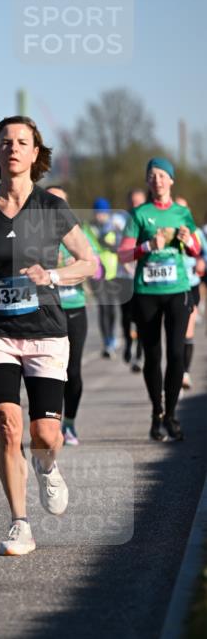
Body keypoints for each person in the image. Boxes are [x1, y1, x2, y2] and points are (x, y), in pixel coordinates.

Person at [0, 116, 96, 556]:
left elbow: (88, 262)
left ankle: (47, 466)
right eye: (5, 142)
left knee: (45, 434)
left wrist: (50, 274)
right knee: (9, 428)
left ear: (36, 154)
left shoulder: (51, 207)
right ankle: (19, 522)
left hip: (47, 333)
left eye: (22, 142)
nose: (13, 148)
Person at [118, 158, 202, 441]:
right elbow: (124, 254)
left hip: (178, 290)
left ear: (171, 180)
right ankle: (157, 413)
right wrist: (147, 246)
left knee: (177, 354)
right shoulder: (139, 214)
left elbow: (195, 250)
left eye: (162, 176)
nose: (157, 180)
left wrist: (187, 239)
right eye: (152, 176)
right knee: (153, 356)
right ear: (147, 181)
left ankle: (172, 415)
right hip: (147, 293)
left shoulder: (181, 213)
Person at [46, 185, 102, 446]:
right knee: (48, 373)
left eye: (61, 202)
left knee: (73, 370)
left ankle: (69, 424)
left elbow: (98, 270)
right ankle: (51, 424)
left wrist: (77, 267)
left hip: (74, 309)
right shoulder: (33, 234)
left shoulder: (81, 234)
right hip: (45, 310)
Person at [174, 197, 206, 391]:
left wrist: (202, 261)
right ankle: (175, 371)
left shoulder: (196, 233)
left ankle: (184, 372)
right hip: (172, 287)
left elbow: (203, 252)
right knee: (174, 333)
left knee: (188, 331)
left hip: (191, 285)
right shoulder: (166, 230)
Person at [86, 198, 121, 358]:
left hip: (113, 272)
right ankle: (107, 342)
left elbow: (122, 247)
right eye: (98, 213)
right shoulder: (88, 228)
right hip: (97, 272)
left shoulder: (114, 226)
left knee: (112, 308)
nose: (100, 216)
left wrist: (109, 245)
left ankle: (112, 338)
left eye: (103, 213)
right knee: (103, 307)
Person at [120, 188, 147, 372]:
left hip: (143, 278)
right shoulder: (121, 222)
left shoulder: (148, 222)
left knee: (142, 318)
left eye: (139, 202)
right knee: (126, 317)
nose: (135, 205)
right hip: (123, 276)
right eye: (132, 202)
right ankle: (128, 342)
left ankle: (139, 354)